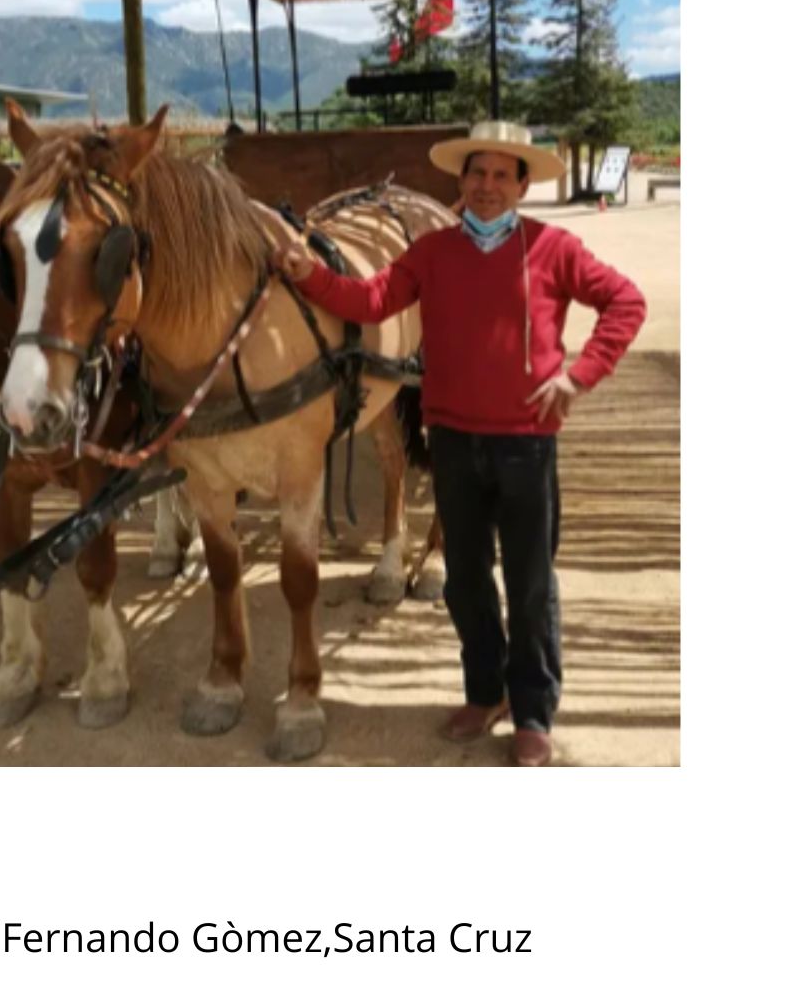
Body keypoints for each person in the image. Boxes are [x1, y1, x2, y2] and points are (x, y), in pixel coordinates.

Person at [275, 122, 646, 766]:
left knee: (530, 586)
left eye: (502, 175)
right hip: (452, 441)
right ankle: (485, 692)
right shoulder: (433, 252)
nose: (487, 186)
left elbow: (626, 302)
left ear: (522, 186)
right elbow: (371, 299)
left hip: (527, 444)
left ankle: (532, 710)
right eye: (477, 173)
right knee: (466, 582)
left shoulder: (553, 247)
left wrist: (579, 375)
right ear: (462, 179)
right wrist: (309, 275)